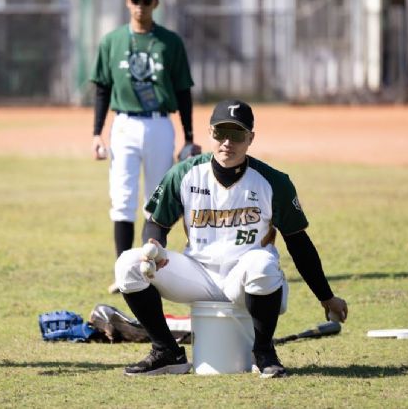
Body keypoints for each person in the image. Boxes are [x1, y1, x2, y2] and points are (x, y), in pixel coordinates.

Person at [114, 99, 348, 377]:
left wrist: (326, 297)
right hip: (197, 274)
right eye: (219, 133)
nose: (227, 142)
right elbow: (156, 223)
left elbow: (299, 244)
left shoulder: (274, 182)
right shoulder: (185, 174)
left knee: (263, 264)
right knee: (127, 264)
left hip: (247, 278)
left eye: (236, 134)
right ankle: (167, 352)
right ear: (210, 133)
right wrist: (153, 244)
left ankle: (263, 352)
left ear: (251, 138)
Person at [90, 0, 200, 293]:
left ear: (156, 3)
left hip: (159, 124)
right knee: (122, 199)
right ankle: (124, 270)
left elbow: (183, 91)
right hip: (123, 123)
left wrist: (189, 136)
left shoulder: (170, 42)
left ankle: (150, 270)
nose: (140, 5)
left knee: (157, 200)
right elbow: (102, 88)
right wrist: (97, 133)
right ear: (127, 1)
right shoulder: (112, 41)